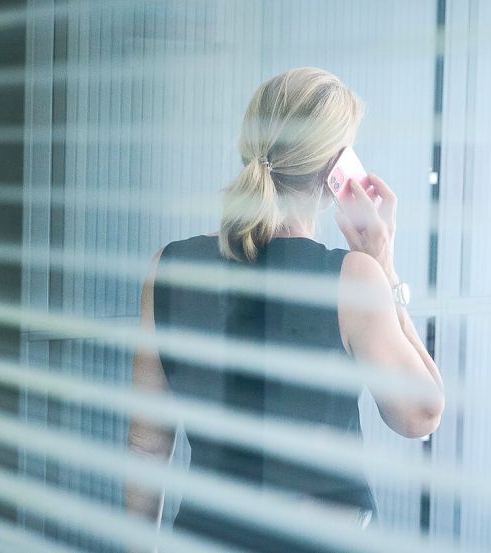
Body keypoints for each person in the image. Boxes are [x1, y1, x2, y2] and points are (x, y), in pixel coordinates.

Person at [126, 67, 445, 553]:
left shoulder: (167, 268)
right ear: (336, 170)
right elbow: (420, 414)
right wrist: (386, 269)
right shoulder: (352, 278)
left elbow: (148, 445)